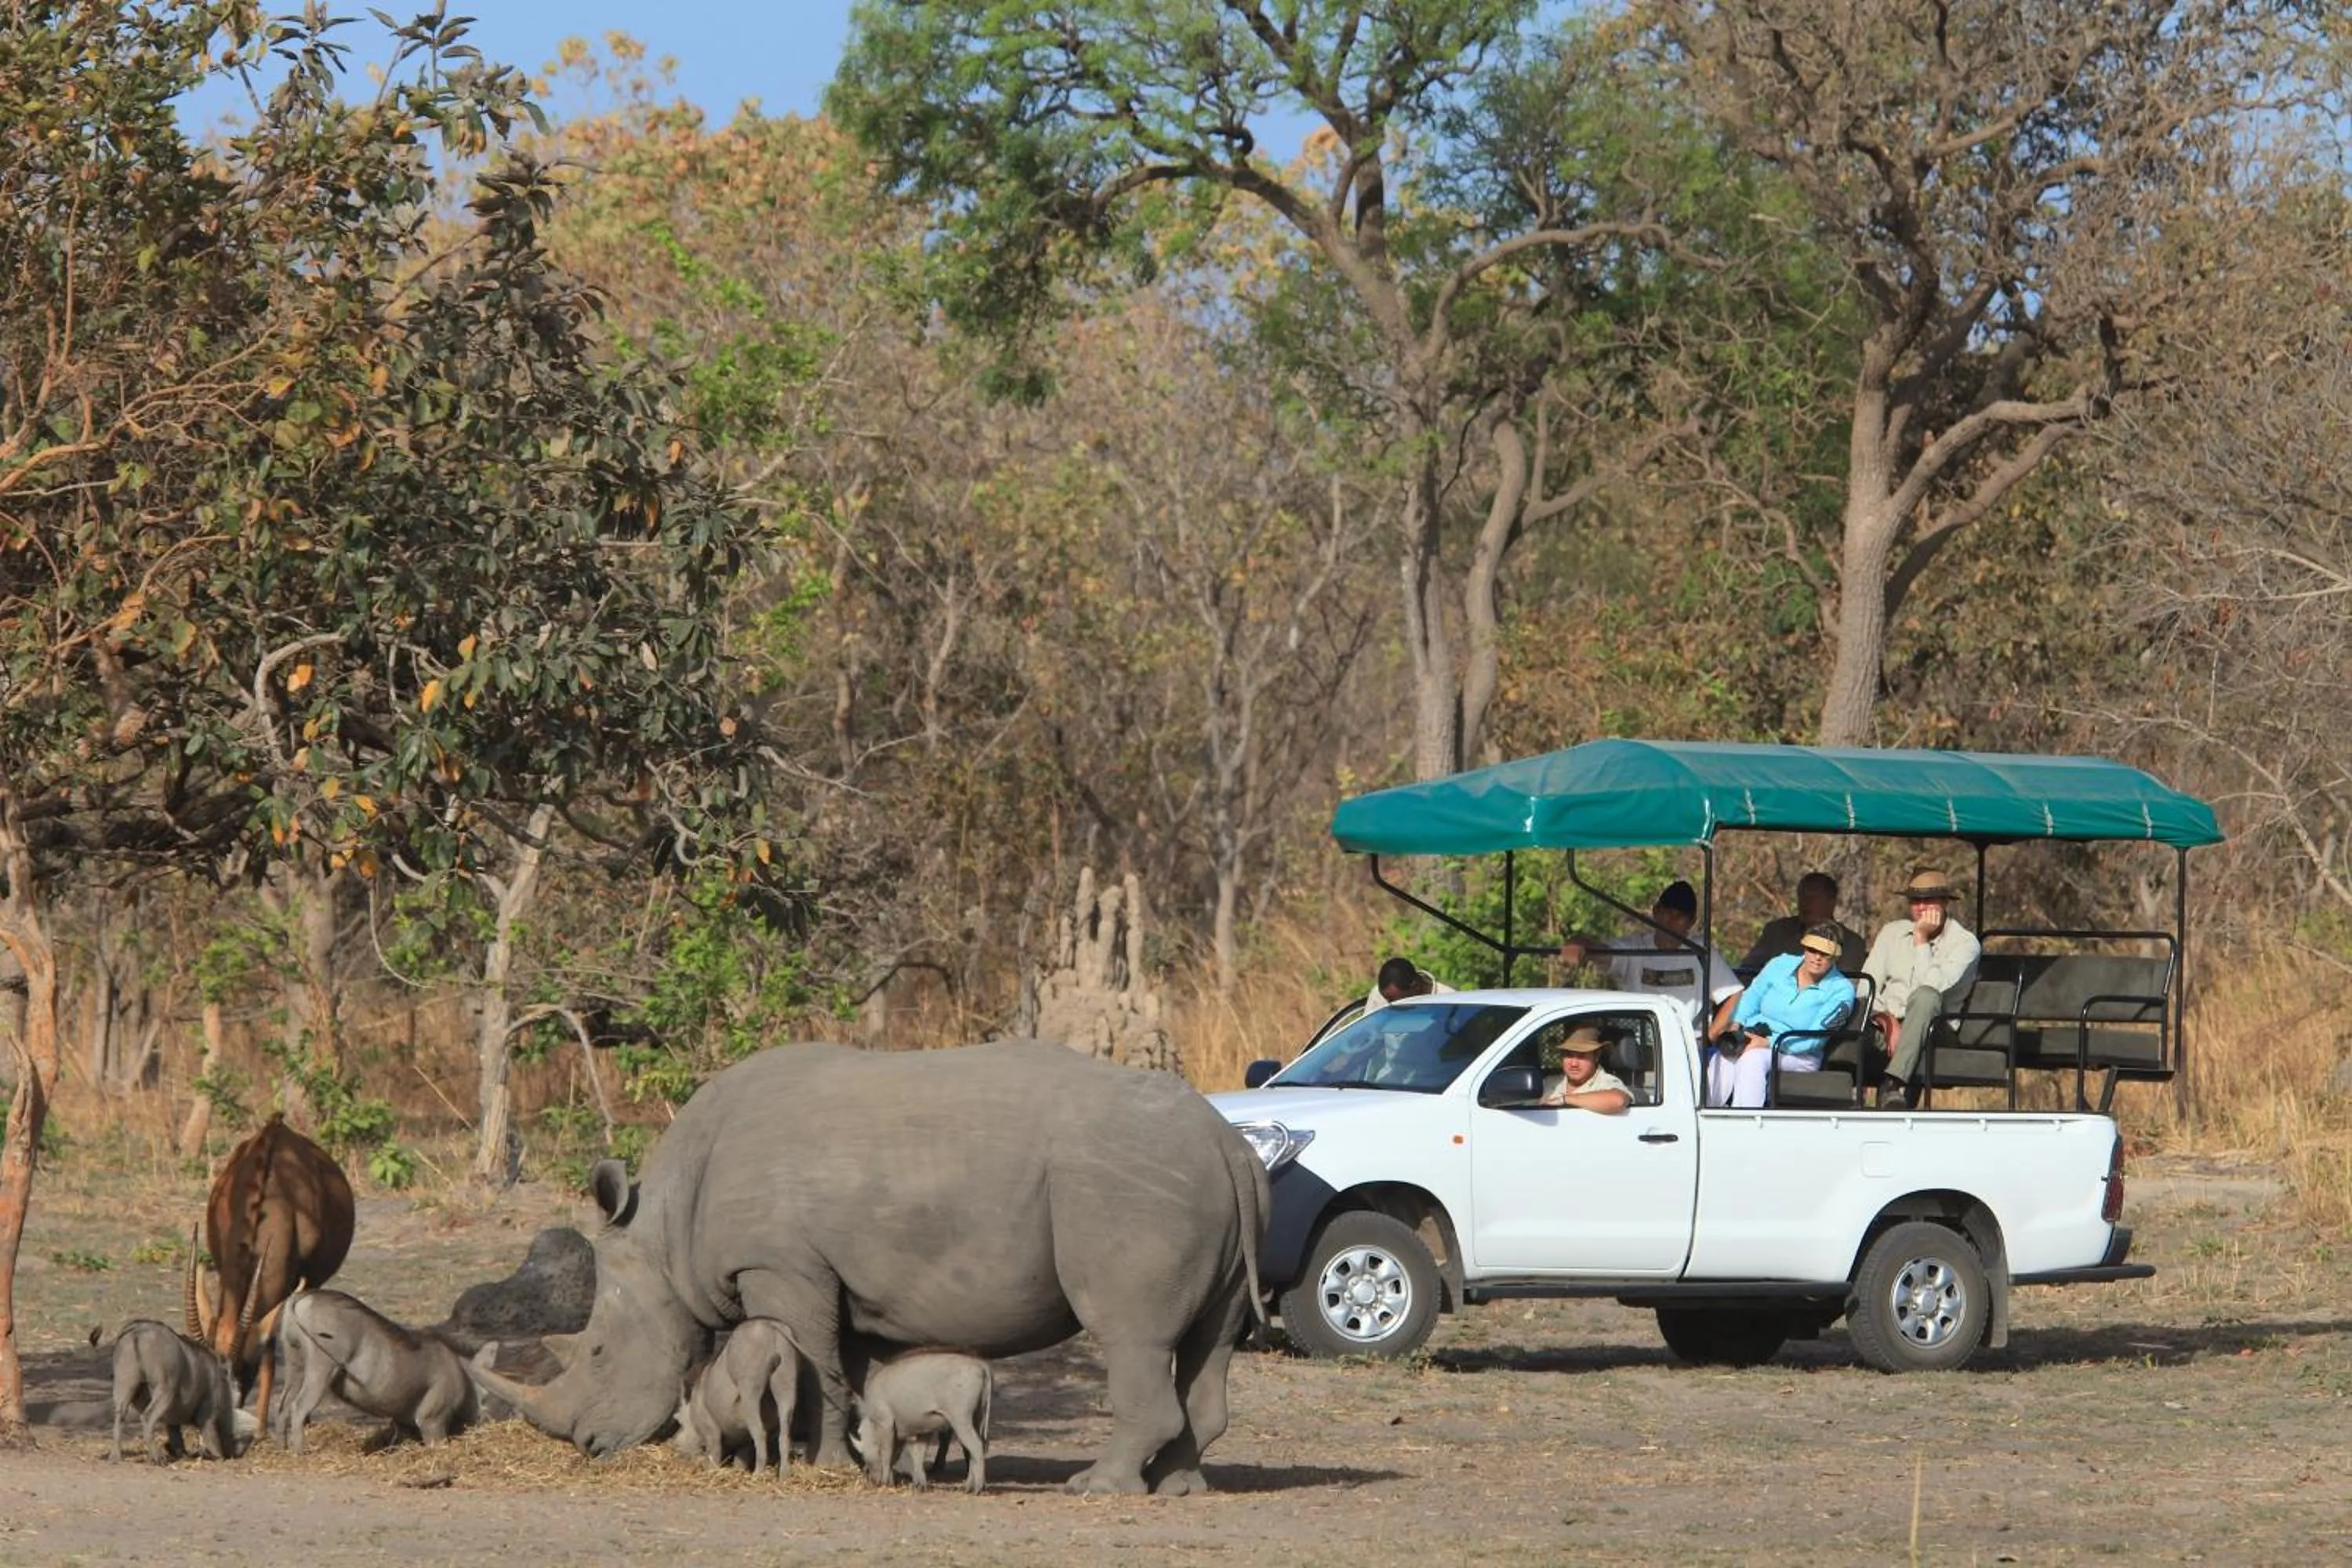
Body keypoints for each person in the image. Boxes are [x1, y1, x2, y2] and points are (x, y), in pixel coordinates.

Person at [1864, 869, 1983, 1110]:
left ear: (1945, 902)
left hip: (1936, 1028)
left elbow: (1931, 986)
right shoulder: (1891, 933)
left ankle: (1893, 1084)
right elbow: (1866, 986)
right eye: (1915, 900)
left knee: (1926, 996)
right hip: (1888, 1023)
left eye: (1928, 900)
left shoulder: (1965, 943)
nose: (1920, 907)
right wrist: (1886, 1020)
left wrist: (1921, 940)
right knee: (1847, 1013)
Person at [1704, 926, 1858, 1108]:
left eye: (1825, 954)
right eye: (1812, 950)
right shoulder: (1780, 964)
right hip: (1755, 1034)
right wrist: (1736, 1022)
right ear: (1804, 947)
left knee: (1752, 1059)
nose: (1817, 957)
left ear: (1836, 956)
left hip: (1800, 1053)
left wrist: (1769, 1042)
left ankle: (1747, 1120)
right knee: (1725, 1054)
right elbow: (1752, 997)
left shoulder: (1841, 990)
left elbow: (1815, 1039)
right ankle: (1705, 1112)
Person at [1555, 880, 1740, 1030]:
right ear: (1655, 911)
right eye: (1667, 913)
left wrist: (1710, 1036)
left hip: (1688, 1047)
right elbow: (1604, 954)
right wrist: (1582, 945)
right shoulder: (1635, 947)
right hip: (1637, 1045)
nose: (1671, 921)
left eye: (1679, 916)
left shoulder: (1701, 952)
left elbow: (1734, 993)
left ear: (1691, 922)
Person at [1739, 871, 1867, 972]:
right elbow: (1747, 972)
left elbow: (1847, 985)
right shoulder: (1777, 932)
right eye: (1802, 896)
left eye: (1813, 898)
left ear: (1831, 902)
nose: (1805, 903)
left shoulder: (1851, 944)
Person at [1538, 1025, 1631, 1114]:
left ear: (1596, 1056)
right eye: (1569, 1055)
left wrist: (1564, 1099)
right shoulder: (1550, 1082)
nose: (1574, 1064)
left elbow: (1618, 1101)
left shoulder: (1606, 1082)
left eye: (1581, 1056)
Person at [1363, 955, 1454, 1015]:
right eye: (1387, 1000)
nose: (1390, 1005)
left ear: (1415, 987)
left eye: (1393, 1000)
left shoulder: (1449, 1002)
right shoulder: (1378, 996)